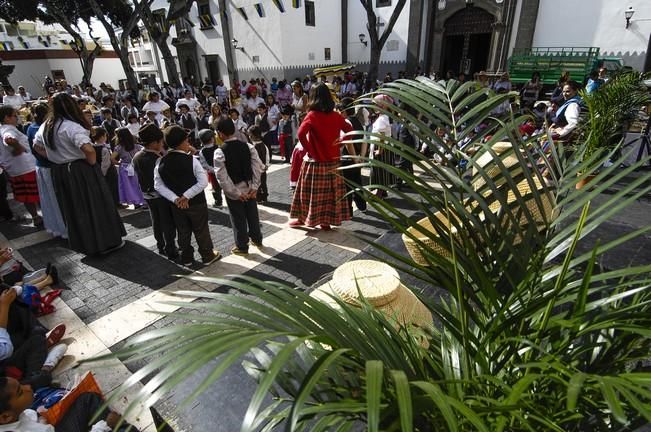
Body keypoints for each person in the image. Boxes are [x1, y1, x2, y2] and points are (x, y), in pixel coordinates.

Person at [33, 93, 126, 255]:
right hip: (80, 170)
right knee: (95, 206)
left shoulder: (46, 126)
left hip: (60, 171)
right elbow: (88, 149)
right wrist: (90, 162)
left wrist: (56, 158)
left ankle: (85, 244)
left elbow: (36, 146)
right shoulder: (71, 126)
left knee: (73, 209)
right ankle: (105, 243)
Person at [288, 83, 353, 230]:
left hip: (315, 162)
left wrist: (310, 149)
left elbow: (300, 134)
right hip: (333, 163)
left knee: (307, 192)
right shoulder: (336, 116)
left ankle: (302, 218)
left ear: (312, 97)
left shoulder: (312, 115)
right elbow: (349, 130)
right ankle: (326, 221)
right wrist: (340, 144)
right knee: (330, 194)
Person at [154, 125, 221, 266]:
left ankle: (187, 258)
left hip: (177, 205)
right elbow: (203, 182)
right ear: (182, 142)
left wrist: (176, 198)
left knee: (183, 231)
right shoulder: (192, 160)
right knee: (201, 229)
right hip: (196, 202)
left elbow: (158, 186)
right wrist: (187, 196)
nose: (188, 144)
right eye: (187, 141)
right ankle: (207, 255)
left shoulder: (160, 162)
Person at [0, 376, 139, 431]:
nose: (28, 388)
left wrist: (40, 420)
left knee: (88, 400)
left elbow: (27, 419)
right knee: (114, 424)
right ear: (5, 417)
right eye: (20, 392)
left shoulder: (11, 418)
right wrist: (104, 426)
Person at [214, 119, 264, 255]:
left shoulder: (220, 152)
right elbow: (258, 167)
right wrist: (254, 187)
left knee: (238, 218)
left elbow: (222, 178)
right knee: (252, 214)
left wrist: (236, 193)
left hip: (234, 191)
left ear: (220, 133)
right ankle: (257, 239)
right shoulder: (248, 146)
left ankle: (242, 246)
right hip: (249, 187)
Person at [133, 124, 178, 260]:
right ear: (154, 143)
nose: (163, 143)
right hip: (161, 195)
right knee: (167, 223)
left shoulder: (137, 156)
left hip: (147, 195)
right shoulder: (157, 159)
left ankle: (161, 246)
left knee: (156, 221)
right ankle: (171, 249)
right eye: (161, 141)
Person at [26, 104, 67, 238]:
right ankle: (64, 227)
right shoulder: (43, 129)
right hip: (51, 168)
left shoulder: (30, 128)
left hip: (42, 167)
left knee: (49, 199)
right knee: (58, 199)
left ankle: (56, 226)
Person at [0, 106, 42, 226]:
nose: (17, 117)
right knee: (38, 194)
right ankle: (41, 216)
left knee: (27, 196)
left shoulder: (5, 128)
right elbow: (8, 139)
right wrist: (19, 148)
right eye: (14, 115)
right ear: (6, 118)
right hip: (26, 168)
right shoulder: (7, 129)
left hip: (17, 169)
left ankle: (35, 217)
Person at [339, 97, 367, 213]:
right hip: (357, 158)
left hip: (348, 158)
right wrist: (361, 157)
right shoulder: (358, 121)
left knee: (347, 185)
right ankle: (362, 206)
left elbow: (347, 143)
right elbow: (365, 140)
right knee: (357, 183)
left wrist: (355, 158)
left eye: (340, 111)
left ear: (345, 111)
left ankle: (348, 211)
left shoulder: (346, 122)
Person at [369, 94, 396, 198]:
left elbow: (382, 136)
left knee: (379, 171)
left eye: (376, 104)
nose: (374, 107)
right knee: (382, 171)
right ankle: (383, 192)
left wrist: (380, 150)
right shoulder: (384, 117)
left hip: (381, 147)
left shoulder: (382, 119)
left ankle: (379, 193)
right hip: (384, 147)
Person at [112, 128, 145, 208]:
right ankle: (144, 202)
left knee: (129, 187)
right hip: (136, 166)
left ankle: (135, 203)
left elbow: (112, 158)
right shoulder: (136, 145)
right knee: (140, 184)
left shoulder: (119, 147)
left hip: (125, 168)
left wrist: (119, 163)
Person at [197, 129, 223, 208]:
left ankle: (218, 202)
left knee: (216, 187)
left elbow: (204, 164)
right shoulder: (218, 148)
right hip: (222, 170)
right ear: (212, 139)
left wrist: (212, 169)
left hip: (212, 173)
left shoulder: (202, 151)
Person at [247, 125, 269, 203]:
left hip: (256, 169)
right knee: (263, 183)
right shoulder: (264, 145)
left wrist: (263, 166)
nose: (249, 136)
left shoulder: (253, 147)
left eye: (249, 134)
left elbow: (256, 159)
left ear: (253, 136)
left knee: (257, 184)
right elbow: (267, 156)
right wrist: (266, 165)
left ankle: (259, 198)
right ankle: (265, 197)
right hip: (263, 169)